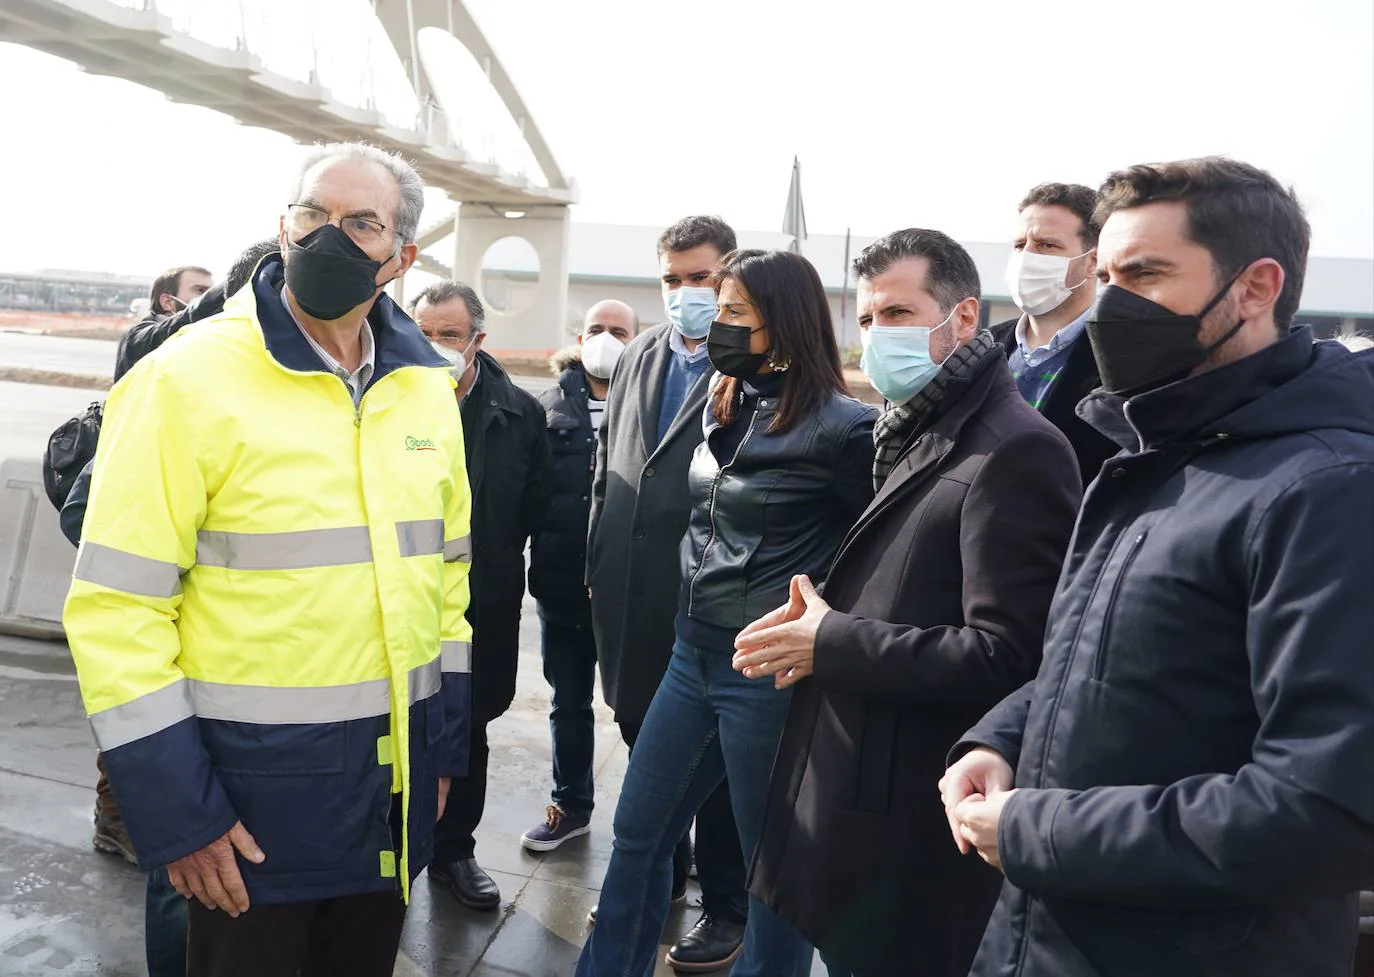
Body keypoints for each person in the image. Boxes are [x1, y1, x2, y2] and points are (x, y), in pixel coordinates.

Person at [944, 157, 1374, 977]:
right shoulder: (1159, 454)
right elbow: (1116, 657)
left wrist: (1037, 831)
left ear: (1255, 288)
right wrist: (1001, 736)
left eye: (1145, 273)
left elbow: (1329, 808)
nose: (1111, 305)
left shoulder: (1327, 490)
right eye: (1104, 274)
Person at [63, 141, 473, 977]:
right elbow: (116, 606)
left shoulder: (425, 387)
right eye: (312, 214)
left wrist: (442, 751)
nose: (329, 237)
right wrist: (180, 810)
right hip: (244, 816)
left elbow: (450, 580)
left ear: (401, 257)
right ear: (280, 226)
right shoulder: (185, 379)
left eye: (361, 222)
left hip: (387, 802)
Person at [732, 229, 1081, 976]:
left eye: (895, 313)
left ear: (961, 320)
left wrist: (833, 641)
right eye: (864, 320)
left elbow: (1011, 654)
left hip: (915, 825)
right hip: (859, 798)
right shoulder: (916, 429)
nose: (874, 336)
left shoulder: (1015, 447)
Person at [579, 248, 878, 977]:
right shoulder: (727, 398)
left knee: (767, 869)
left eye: (735, 314)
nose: (718, 326)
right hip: (691, 655)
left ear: (783, 321)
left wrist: (825, 633)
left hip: (765, 671)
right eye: (719, 312)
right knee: (638, 832)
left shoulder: (846, 428)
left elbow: (874, 550)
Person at [59, 237, 279, 977]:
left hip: (247, 688)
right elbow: (108, 587)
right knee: (185, 876)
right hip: (181, 677)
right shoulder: (176, 374)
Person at [586, 215, 751, 968]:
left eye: (702, 279)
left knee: (711, 770)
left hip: (709, 602)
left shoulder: (753, 361)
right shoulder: (641, 353)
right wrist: (596, 561)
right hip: (628, 592)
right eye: (674, 279)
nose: (687, 293)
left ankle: (726, 904)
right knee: (641, 738)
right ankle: (659, 874)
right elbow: (610, 464)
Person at [415, 280, 554, 911]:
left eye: (449, 335)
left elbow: (535, 507)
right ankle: (382, 850)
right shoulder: (391, 397)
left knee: (466, 729)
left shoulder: (519, 412)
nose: (436, 346)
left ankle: (452, 852)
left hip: (481, 602)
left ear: (477, 340)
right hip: (400, 598)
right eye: (425, 334)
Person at [522, 299, 637, 852]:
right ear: (579, 336)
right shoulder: (544, 407)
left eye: (619, 331)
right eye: (597, 329)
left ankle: (659, 831)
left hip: (630, 594)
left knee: (641, 711)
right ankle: (571, 806)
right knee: (568, 702)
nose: (606, 339)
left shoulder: (652, 404)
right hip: (561, 587)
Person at [995, 183, 1118, 484]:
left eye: (1047, 245)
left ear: (1093, 261)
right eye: (1019, 245)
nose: (1027, 257)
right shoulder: (980, 346)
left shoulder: (1123, 358)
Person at [115, 265, 214, 381]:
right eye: (200, 291)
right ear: (167, 302)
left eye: (211, 292)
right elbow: (164, 332)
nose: (208, 297)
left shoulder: (204, 337)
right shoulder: (136, 338)